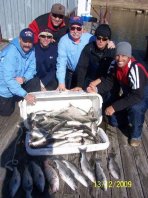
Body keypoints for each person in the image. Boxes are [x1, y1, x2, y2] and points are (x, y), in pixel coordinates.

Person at [87, 41, 148, 147]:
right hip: (129, 91)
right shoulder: (114, 64)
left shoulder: (135, 68)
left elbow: (137, 95)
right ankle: (128, 118)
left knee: (136, 108)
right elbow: (109, 82)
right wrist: (96, 89)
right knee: (113, 121)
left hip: (142, 93)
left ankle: (136, 135)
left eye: (123, 56)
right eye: (117, 55)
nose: (120, 59)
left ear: (129, 56)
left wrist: (114, 107)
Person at [0, 28, 41, 116]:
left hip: (19, 82)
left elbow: (32, 68)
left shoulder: (32, 50)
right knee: (7, 113)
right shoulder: (11, 52)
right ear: (19, 39)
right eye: (25, 41)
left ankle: (31, 106)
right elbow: (8, 80)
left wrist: (24, 78)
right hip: (5, 87)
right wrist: (25, 95)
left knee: (35, 81)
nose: (27, 44)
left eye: (30, 42)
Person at [72, 24, 115, 91]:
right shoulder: (89, 48)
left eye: (104, 39)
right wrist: (79, 85)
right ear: (95, 37)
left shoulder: (111, 51)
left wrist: (99, 81)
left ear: (108, 40)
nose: (101, 41)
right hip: (89, 80)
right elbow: (82, 67)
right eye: (98, 38)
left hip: (104, 81)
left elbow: (111, 74)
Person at [56, 16, 95, 91]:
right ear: (69, 28)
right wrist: (61, 82)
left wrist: (109, 42)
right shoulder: (63, 41)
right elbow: (61, 63)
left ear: (82, 28)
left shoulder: (90, 38)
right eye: (73, 28)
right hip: (70, 74)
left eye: (78, 28)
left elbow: (101, 41)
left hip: (85, 74)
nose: (75, 31)